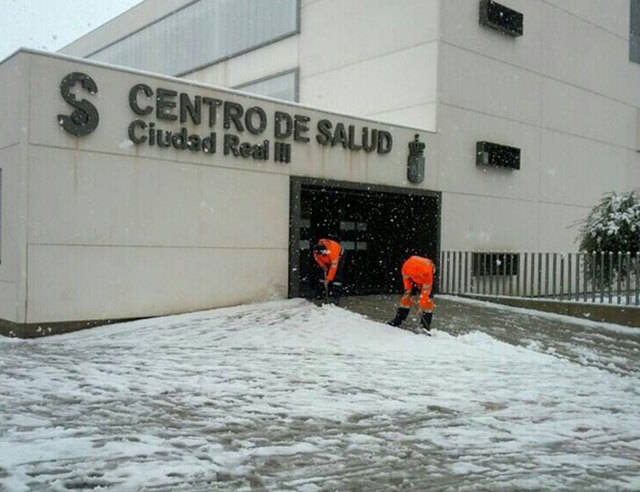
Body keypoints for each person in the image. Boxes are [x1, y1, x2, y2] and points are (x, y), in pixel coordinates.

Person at [387, 255, 435, 334]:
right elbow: (407, 283)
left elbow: (425, 292)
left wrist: (421, 307)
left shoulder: (428, 274)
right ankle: (398, 320)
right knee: (406, 298)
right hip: (414, 275)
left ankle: (425, 326)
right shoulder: (406, 268)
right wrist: (409, 293)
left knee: (428, 301)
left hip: (419, 274)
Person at [312, 238, 345, 304]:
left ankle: (335, 296)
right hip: (327, 259)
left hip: (339, 256)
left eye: (322, 254)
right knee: (322, 276)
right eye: (320, 254)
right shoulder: (316, 250)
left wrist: (328, 279)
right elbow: (317, 259)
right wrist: (323, 266)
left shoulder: (333, 250)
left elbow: (333, 267)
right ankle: (321, 294)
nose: (320, 255)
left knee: (336, 276)